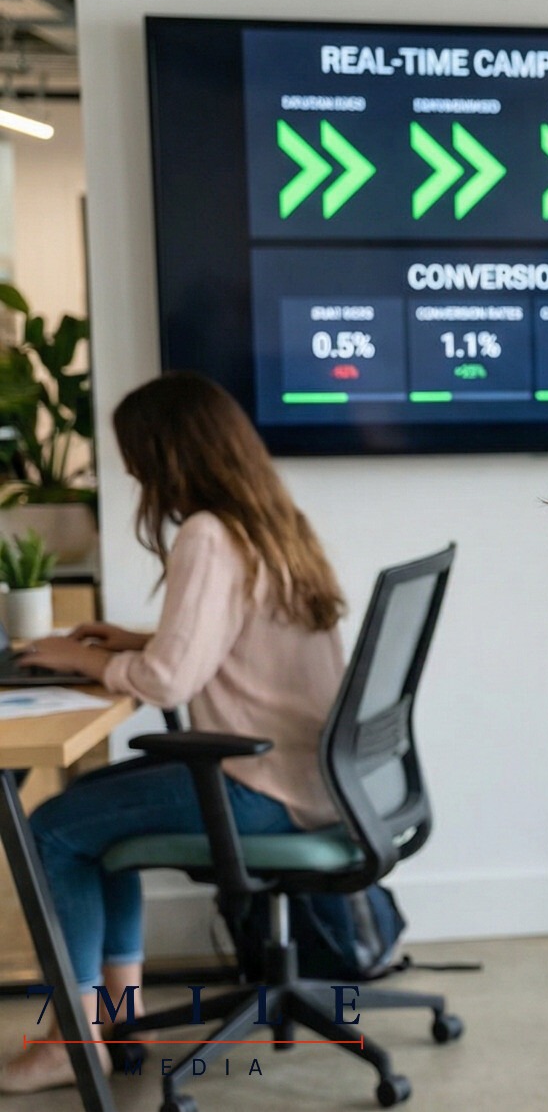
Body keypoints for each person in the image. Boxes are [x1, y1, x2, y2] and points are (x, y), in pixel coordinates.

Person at [0, 373, 346, 1094]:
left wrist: (81, 656)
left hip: (258, 785)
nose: (130, 472)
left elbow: (167, 681)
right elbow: (218, 639)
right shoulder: (271, 518)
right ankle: (122, 1023)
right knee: (92, 821)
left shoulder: (207, 534)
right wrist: (123, 638)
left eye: (134, 456)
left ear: (167, 454)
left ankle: (75, 1038)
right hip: (310, 777)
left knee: (54, 830)